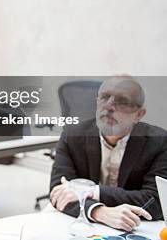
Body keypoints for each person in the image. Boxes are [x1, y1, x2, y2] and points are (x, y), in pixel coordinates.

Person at [50, 76, 167, 231]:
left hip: (136, 228)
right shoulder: (73, 135)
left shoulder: (159, 141)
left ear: (139, 114)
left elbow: (156, 202)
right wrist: (99, 212)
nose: (109, 106)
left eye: (123, 101)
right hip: (84, 224)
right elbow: (59, 192)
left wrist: (94, 192)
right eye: (104, 97)